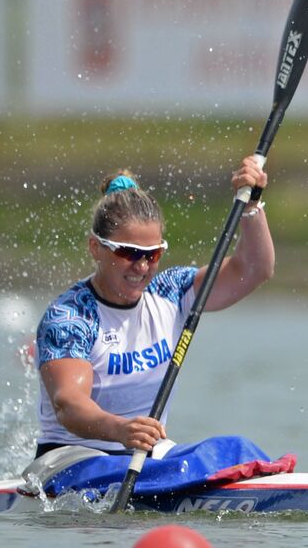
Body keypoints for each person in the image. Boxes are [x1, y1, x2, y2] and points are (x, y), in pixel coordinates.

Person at [34, 158, 273, 459]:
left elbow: (254, 269)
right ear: (96, 247)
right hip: (71, 459)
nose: (143, 266)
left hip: (144, 457)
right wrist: (121, 430)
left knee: (237, 450)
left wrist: (251, 205)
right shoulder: (71, 317)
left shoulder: (171, 293)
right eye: (129, 253)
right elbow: (68, 404)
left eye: (154, 253)